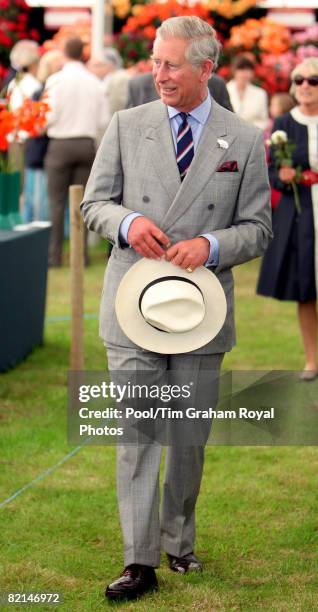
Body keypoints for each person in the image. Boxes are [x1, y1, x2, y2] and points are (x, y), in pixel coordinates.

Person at [81, 16, 271, 602]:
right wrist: (129, 223)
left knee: (187, 436)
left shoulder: (243, 138)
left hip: (201, 312)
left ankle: (178, 541)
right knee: (137, 433)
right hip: (132, 306)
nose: (157, 74)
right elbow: (95, 204)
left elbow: (259, 228)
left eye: (170, 65)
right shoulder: (125, 124)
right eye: (155, 63)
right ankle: (139, 561)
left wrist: (211, 247)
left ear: (206, 69)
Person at [257, 57, 318, 381]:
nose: (305, 86)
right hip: (300, 214)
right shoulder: (284, 124)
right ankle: (312, 360)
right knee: (305, 286)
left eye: (313, 80)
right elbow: (270, 170)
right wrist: (283, 177)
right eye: (300, 79)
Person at [44, 37, 109, 266]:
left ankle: (54, 257)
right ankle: (81, 255)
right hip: (86, 144)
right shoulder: (94, 82)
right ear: (83, 53)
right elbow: (103, 120)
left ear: (64, 52)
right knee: (82, 203)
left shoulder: (56, 81)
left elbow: (48, 115)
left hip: (60, 144)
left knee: (57, 202)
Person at [23, 50, 65, 222]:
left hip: (49, 149)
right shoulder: (41, 91)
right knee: (38, 197)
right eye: (58, 66)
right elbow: (36, 124)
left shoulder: (53, 88)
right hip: (40, 149)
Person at [126, 69, 233, 111]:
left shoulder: (216, 84)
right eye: (157, 61)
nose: (160, 77)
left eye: (173, 64)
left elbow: (229, 129)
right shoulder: (138, 86)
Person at [226, 56, 268, 129]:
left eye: (248, 70)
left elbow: (264, 120)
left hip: (253, 134)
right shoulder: (225, 90)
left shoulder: (260, 93)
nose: (245, 74)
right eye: (241, 70)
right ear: (234, 71)